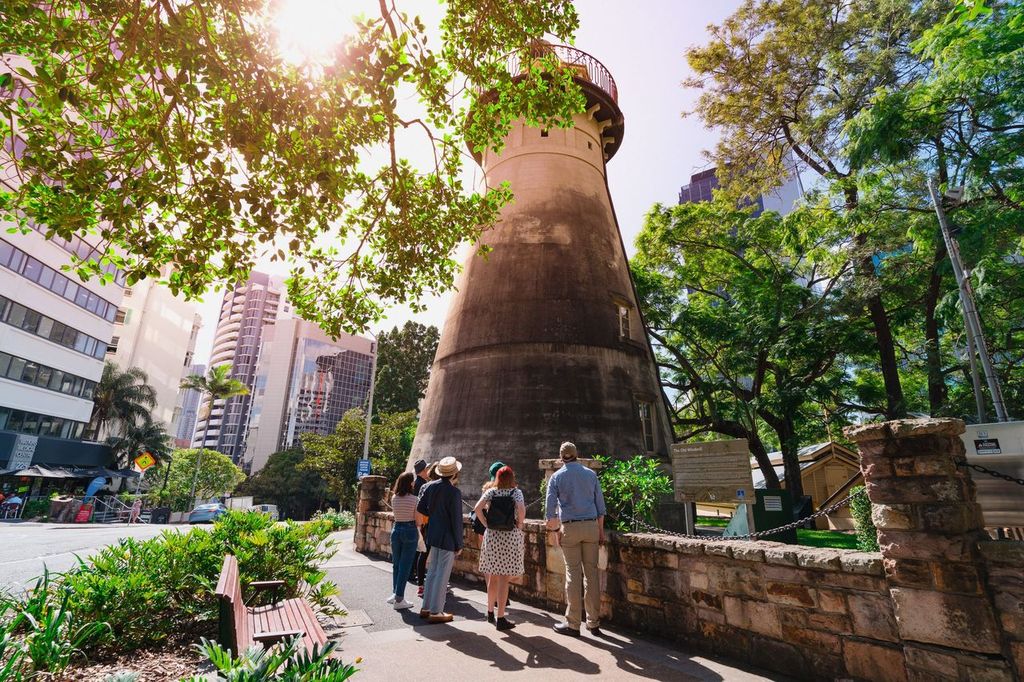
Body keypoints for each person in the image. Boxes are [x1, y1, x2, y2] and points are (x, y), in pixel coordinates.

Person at [545, 441, 606, 637]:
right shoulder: (590, 475)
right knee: (592, 574)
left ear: (561, 457)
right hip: (591, 527)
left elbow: (550, 511)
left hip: (570, 527)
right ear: (577, 454)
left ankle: (573, 623)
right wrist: (601, 531)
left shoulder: (556, 477)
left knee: (573, 574)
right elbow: (600, 507)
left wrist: (555, 532)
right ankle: (593, 622)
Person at [474, 465, 525, 631]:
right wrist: (519, 524)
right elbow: (522, 510)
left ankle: (489, 612)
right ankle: (501, 617)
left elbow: (477, 509)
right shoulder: (516, 492)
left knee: (493, 576)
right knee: (504, 578)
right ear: (511, 478)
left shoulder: (491, 492)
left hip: (493, 536)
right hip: (509, 536)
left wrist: (486, 524)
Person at [416, 456, 463, 623]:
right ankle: (436, 611)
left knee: (433, 572)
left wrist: (434, 515)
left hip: (433, 535)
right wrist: (459, 543)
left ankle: (426, 607)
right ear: (454, 474)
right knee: (442, 575)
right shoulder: (454, 492)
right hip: (448, 537)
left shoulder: (430, 487)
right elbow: (457, 520)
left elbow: (420, 507)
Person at [387, 472, 419, 610]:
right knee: (405, 566)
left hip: (396, 529)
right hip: (410, 530)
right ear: (409, 483)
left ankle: (395, 594)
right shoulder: (414, 499)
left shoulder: (394, 498)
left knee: (396, 564)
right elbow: (417, 520)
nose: (414, 483)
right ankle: (399, 599)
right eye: (412, 481)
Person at [408, 459, 431, 587]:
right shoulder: (421, 484)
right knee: (419, 547)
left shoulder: (418, 482)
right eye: (426, 469)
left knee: (417, 547)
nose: (428, 471)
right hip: (420, 520)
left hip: (417, 519)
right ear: (422, 471)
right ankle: (413, 572)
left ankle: (414, 571)